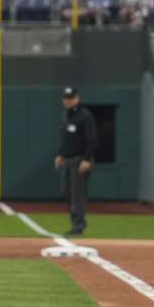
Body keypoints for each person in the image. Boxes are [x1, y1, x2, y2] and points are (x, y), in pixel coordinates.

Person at [55, 87, 98, 236]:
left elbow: (92, 140)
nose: (68, 101)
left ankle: (78, 225)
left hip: (79, 159)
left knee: (77, 194)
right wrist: (60, 154)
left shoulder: (85, 116)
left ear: (77, 98)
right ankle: (76, 222)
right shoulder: (67, 115)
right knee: (67, 191)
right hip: (67, 159)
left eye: (71, 98)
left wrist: (86, 159)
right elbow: (67, 139)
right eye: (66, 98)